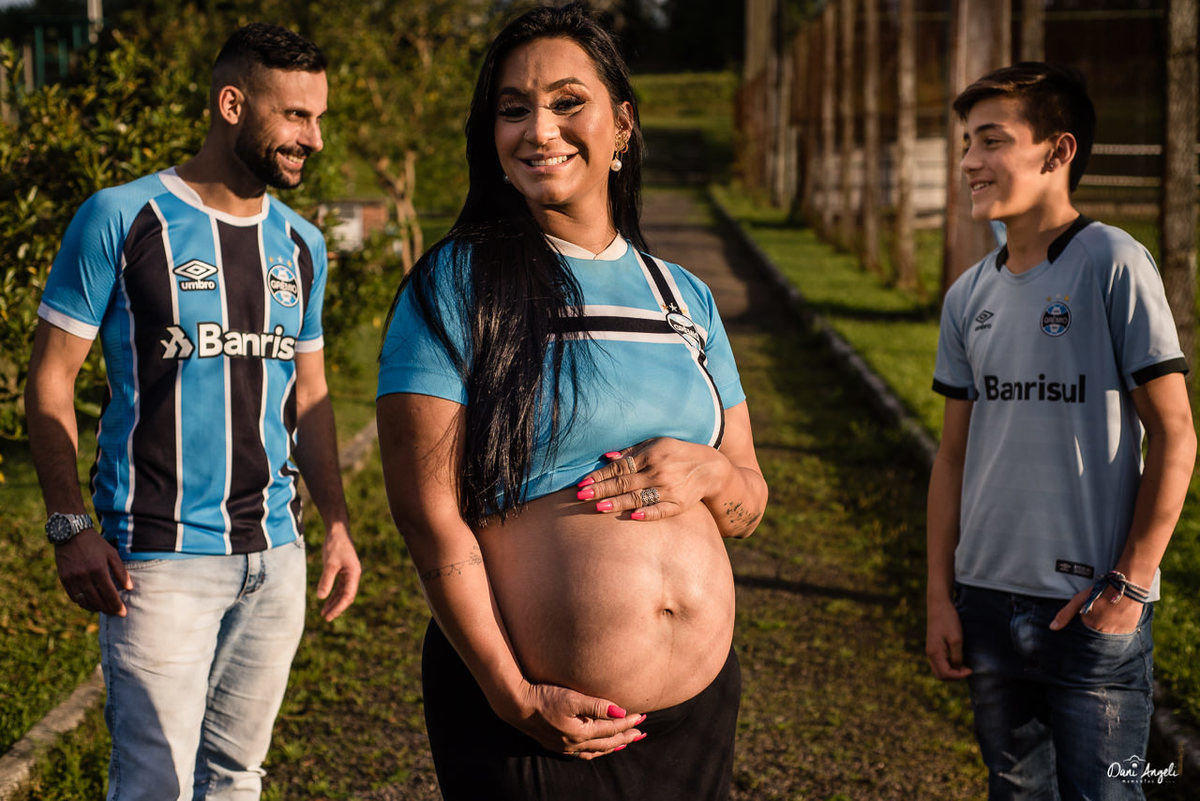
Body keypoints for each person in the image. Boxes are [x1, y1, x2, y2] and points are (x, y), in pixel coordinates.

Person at [375, 4, 768, 799]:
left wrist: (713, 474)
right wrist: (509, 691)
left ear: (622, 124)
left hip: (693, 718)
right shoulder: (453, 285)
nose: (539, 130)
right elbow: (426, 513)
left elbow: (748, 501)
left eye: (566, 102)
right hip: (532, 720)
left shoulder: (684, 298)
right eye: (513, 109)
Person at [25, 22, 361, 801]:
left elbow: (310, 395)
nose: (313, 139)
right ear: (232, 104)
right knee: (154, 786)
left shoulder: (303, 244)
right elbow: (49, 381)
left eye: (319, 118)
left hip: (275, 557)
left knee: (237, 777)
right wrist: (69, 526)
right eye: (296, 116)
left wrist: (338, 524)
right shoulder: (122, 216)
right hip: (158, 561)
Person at [926, 62, 1196, 801]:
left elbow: (1176, 433)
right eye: (967, 143)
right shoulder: (967, 294)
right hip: (984, 602)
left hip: (1090, 607)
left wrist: (1130, 585)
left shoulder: (1113, 262)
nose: (970, 161)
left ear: (1058, 150)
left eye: (992, 141)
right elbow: (951, 458)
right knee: (1014, 789)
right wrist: (940, 596)